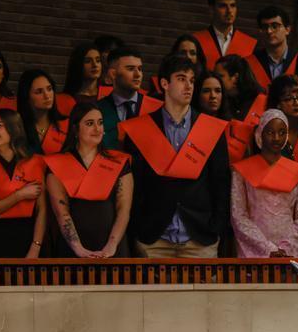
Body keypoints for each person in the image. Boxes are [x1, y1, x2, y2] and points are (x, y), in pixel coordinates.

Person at [121, 54, 229, 258]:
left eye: (192, 80)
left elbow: (220, 184)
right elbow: (136, 186)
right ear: (165, 84)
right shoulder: (142, 128)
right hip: (154, 239)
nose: (188, 86)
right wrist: (139, 226)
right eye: (181, 79)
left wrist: (216, 227)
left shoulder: (210, 128)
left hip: (200, 239)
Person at [44, 102, 133, 258]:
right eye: (90, 123)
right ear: (75, 129)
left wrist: (111, 246)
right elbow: (61, 213)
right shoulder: (57, 164)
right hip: (72, 250)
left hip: (113, 249)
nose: (97, 129)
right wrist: (79, 249)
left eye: (100, 122)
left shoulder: (119, 162)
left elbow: (123, 210)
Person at [229, 109, 298, 258]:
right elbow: (238, 216)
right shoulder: (242, 171)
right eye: (270, 132)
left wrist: (286, 248)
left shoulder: (297, 172)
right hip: (256, 250)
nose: (276, 138)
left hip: (289, 251)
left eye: (282, 132)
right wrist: (268, 249)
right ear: (260, 134)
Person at [0, 109, 48, 258]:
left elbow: (42, 210)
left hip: (29, 237)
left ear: (13, 128)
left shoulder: (36, 162)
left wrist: (35, 247)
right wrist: (19, 195)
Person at [98, 48, 163, 149]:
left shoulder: (157, 108)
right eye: (130, 69)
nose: (138, 74)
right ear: (113, 74)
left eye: (140, 69)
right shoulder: (97, 109)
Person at [192, 0, 256, 70]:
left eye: (232, 5)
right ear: (212, 9)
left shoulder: (249, 44)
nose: (229, 11)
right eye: (223, 6)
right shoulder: (196, 41)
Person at [17, 70, 69, 155]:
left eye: (49, 89)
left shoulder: (67, 124)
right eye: (39, 92)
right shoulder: (18, 127)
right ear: (26, 96)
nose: (47, 96)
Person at [249, 6, 297, 90]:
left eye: (275, 26)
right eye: (265, 27)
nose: (269, 31)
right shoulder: (250, 62)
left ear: (287, 29)